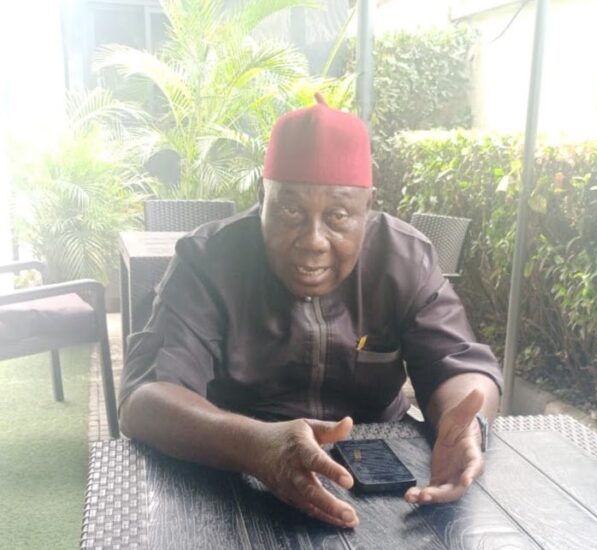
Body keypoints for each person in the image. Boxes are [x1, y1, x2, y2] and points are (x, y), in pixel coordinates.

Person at [118, 94, 502, 529]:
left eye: (338, 215)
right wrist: (256, 444)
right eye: (290, 210)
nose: (313, 240)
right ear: (262, 196)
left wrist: (466, 425)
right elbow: (146, 398)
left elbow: (460, 366)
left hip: (384, 477)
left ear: (367, 206)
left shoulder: (404, 258)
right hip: (233, 470)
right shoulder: (208, 260)